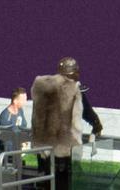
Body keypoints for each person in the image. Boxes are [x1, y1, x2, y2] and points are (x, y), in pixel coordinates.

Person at [29, 59, 88, 190]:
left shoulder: (41, 85)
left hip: (42, 149)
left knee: (47, 184)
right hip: (63, 151)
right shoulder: (73, 89)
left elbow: (36, 117)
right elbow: (76, 123)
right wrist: (77, 148)